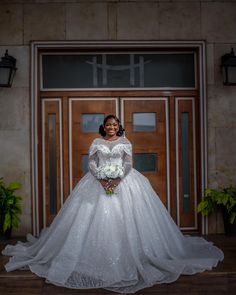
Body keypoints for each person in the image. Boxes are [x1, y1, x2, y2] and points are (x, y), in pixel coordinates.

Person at [2, 114, 224, 294]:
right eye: (108, 124)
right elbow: (91, 162)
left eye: (114, 124)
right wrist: (100, 177)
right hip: (97, 182)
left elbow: (128, 163)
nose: (111, 127)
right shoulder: (96, 142)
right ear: (104, 127)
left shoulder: (125, 142)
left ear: (119, 127)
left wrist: (117, 178)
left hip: (125, 182)